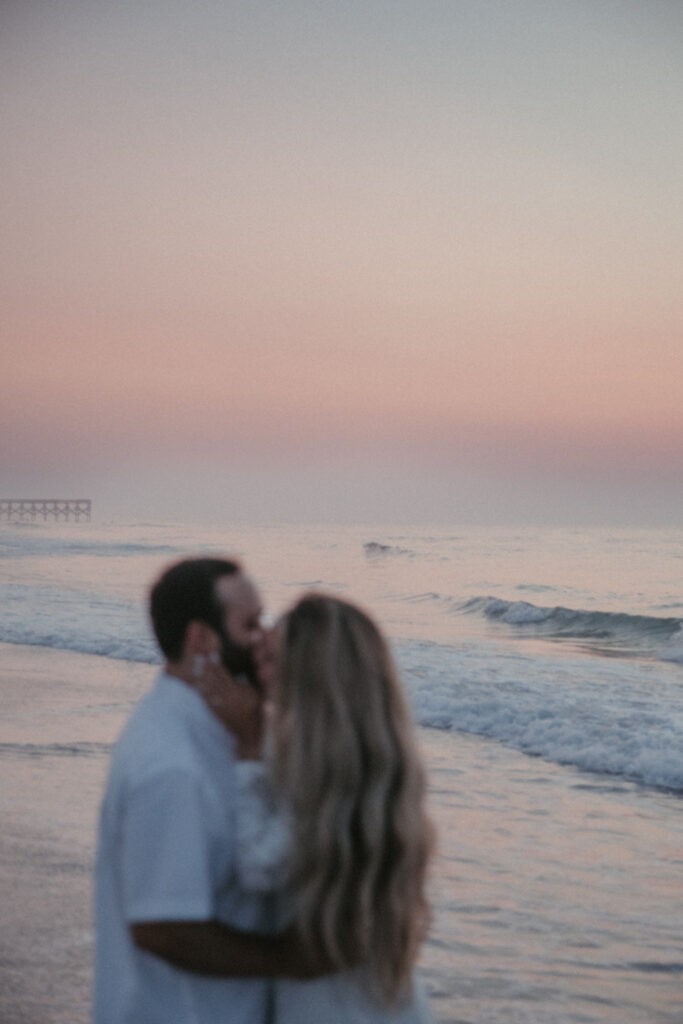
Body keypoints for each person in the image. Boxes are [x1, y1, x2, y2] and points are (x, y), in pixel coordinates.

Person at [93, 557, 326, 1024]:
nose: (265, 637)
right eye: (250, 624)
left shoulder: (225, 729)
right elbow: (163, 926)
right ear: (201, 639)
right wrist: (287, 959)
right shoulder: (170, 763)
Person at [207, 592, 436, 1023]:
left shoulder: (325, 770)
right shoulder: (378, 759)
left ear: (309, 675)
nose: (256, 664)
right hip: (384, 999)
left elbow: (259, 865)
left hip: (336, 1005)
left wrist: (248, 757)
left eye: (271, 657)